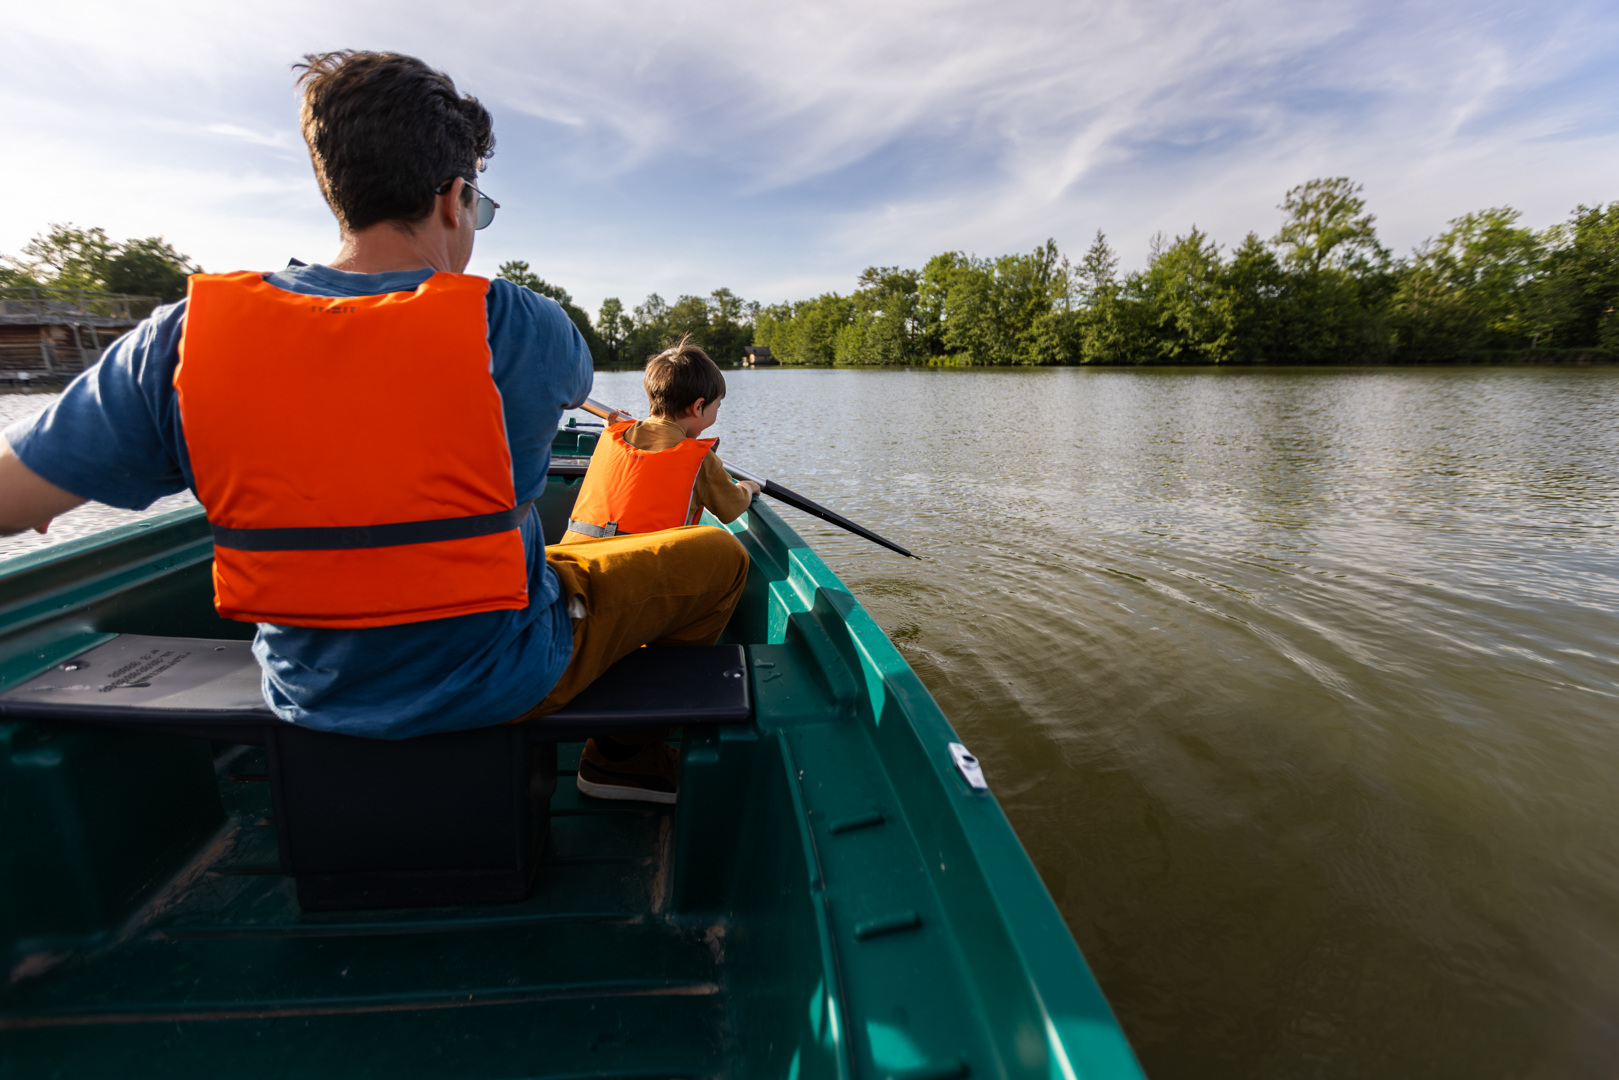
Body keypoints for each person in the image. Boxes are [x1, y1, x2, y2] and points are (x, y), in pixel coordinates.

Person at [0, 51, 746, 804]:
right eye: (479, 209)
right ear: (454, 198)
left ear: (339, 191)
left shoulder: (181, 340)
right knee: (717, 558)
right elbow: (574, 390)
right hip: (504, 673)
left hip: (309, 691)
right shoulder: (526, 326)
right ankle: (621, 760)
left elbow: (12, 498)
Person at [561, 335, 761, 545]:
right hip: (638, 561)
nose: (717, 412)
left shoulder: (612, 435)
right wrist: (747, 487)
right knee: (729, 548)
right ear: (698, 407)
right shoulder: (701, 460)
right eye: (717, 407)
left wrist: (613, 428)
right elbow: (732, 507)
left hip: (576, 555)